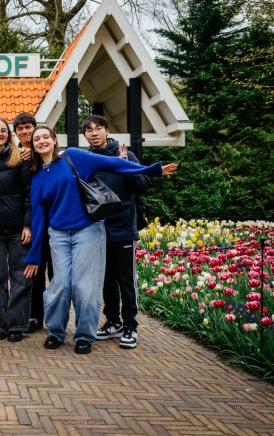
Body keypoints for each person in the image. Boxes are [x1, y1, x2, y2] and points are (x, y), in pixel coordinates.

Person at [23, 126, 177, 354]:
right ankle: (56, 331)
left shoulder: (73, 157)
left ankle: (84, 335)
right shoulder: (37, 178)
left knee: (84, 286)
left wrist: (150, 170)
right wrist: (34, 255)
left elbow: (112, 164)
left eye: (46, 136)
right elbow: (38, 219)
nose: (42, 141)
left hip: (87, 231)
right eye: (37, 139)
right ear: (33, 146)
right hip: (58, 235)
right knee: (60, 286)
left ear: (54, 140)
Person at [82, 115, 149, 349]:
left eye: (98, 128)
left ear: (107, 131)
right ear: (85, 135)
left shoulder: (125, 154)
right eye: (89, 130)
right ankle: (113, 322)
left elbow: (142, 186)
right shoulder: (87, 160)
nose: (94, 133)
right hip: (97, 229)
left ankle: (131, 326)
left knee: (125, 280)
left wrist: (127, 167)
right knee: (106, 281)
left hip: (122, 229)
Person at [0, 117, 33, 342]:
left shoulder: (20, 157)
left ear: (8, 135)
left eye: (3, 130)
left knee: (20, 277)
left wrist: (28, 224)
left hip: (18, 228)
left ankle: (17, 324)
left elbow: (29, 193)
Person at [12, 112, 52, 333]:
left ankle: (56, 317)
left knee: (56, 273)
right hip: (32, 222)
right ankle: (35, 316)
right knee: (34, 272)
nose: (25, 132)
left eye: (28, 127)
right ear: (16, 133)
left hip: (53, 221)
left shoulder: (47, 152)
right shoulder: (15, 155)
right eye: (20, 129)